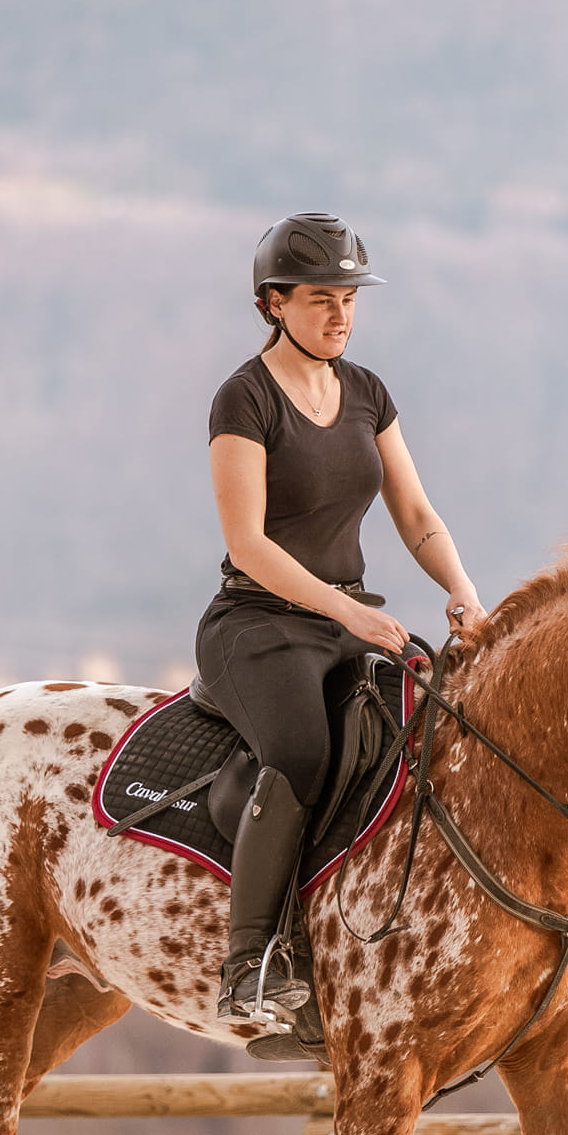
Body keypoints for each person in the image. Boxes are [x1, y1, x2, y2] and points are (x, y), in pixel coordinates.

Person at [197, 212, 485, 1036]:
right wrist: (348, 610)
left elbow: (417, 512)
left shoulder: (367, 393)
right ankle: (249, 961)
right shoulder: (243, 399)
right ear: (273, 305)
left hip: (346, 622)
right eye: (322, 299)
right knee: (303, 751)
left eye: (349, 299)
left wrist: (462, 589)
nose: (341, 315)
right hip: (257, 623)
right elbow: (247, 544)